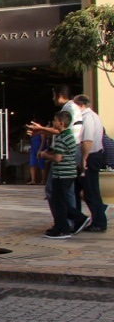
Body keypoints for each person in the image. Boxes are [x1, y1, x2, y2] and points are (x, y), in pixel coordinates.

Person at [39, 110, 85, 239]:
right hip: (68, 173)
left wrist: (44, 155)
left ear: (61, 123)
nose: (53, 123)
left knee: (58, 201)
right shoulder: (68, 136)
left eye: (54, 120)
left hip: (62, 174)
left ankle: (65, 227)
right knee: (59, 200)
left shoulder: (62, 137)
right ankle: (64, 225)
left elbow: (58, 158)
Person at [74, 95, 107, 233]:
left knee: (90, 191)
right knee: (82, 190)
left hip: (90, 156)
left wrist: (83, 160)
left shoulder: (87, 118)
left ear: (80, 105)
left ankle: (99, 221)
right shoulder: (94, 116)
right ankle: (81, 219)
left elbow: (87, 141)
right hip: (93, 156)